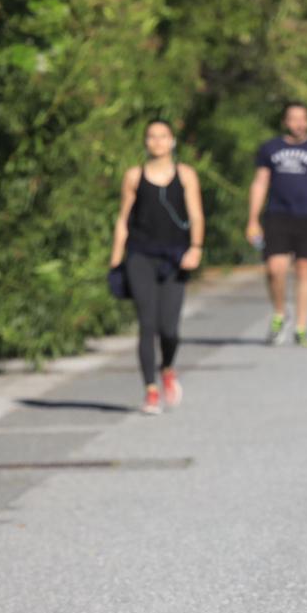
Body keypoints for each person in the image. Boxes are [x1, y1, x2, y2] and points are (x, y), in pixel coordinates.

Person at [109, 119, 205, 414]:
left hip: (175, 256)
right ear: (145, 142)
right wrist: (115, 261)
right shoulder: (134, 176)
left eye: (163, 136)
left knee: (170, 329)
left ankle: (167, 367)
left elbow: (197, 216)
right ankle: (150, 391)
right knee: (147, 324)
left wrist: (196, 247)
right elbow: (124, 220)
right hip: (140, 255)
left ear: (172, 141)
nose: (157, 142)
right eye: (152, 136)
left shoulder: (185, 174)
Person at [246, 102, 307, 347]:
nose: (299, 124)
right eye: (293, 119)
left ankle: (301, 325)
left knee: (304, 269)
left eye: (303, 119)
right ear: (285, 122)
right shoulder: (270, 148)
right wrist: (253, 219)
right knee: (275, 268)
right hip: (278, 215)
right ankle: (280, 312)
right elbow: (260, 183)